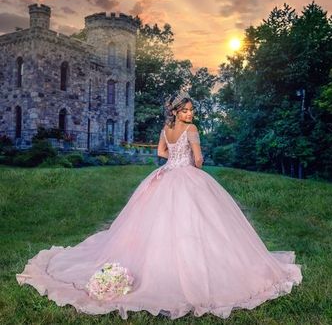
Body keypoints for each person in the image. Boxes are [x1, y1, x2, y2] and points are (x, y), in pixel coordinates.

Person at [16, 90, 303, 320]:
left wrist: (173, 162)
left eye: (191, 111)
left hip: (165, 175)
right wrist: (192, 161)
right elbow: (200, 160)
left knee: (156, 222)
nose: (190, 114)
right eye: (186, 110)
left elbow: (160, 152)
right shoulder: (192, 130)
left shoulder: (166, 129)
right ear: (177, 112)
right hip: (187, 176)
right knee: (196, 223)